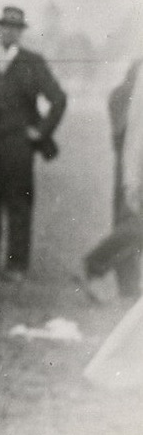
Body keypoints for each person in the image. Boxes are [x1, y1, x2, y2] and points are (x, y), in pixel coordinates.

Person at [0, 5, 67, 281]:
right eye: (4, 26)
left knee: (18, 204)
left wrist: (40, 132)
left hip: (18, 147)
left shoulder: (33, 62)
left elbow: (58, 99)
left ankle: (16, 266)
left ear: (20, 32)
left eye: (14, 28)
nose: (8, 32)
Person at [81, 59, 142, 300]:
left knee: (131, 225)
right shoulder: (126, 93)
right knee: (134, 225)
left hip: (131, 164)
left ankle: (128, 288)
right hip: (134, 165)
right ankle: (95, 263)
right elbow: (123, 136)